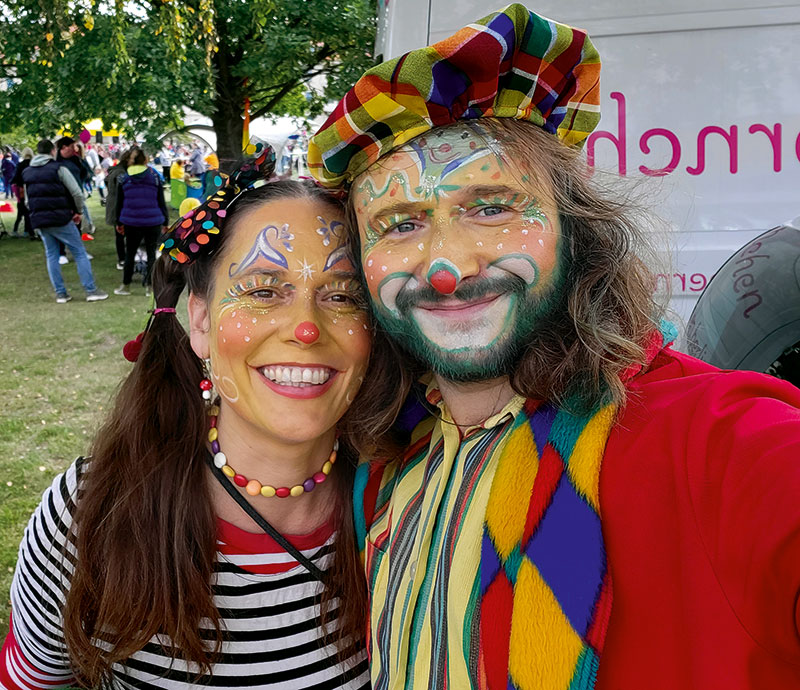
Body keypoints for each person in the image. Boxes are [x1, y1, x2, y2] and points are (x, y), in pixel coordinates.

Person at [308, 5, 800, 689]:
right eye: (401, 223)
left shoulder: (715, 443)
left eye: (490, 206)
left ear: (575, 226)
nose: (447, 266)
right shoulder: (386, 465)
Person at [1, 142, 371, 689]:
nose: (306, 328)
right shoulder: (86, 517)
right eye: (263, 291)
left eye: (342, 296)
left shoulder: (408, 499)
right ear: (199, 321)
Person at [21, 139, 107, 302]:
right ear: (53, 151)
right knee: (79, 252)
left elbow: (27, 199)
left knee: (51, 255)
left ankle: (61, 293)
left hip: (40, 218)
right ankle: (91, 290)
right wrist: (79, 212)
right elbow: (77, 192)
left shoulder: (28, 171)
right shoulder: (58, 168)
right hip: (61, 217)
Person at [113, 148, 168, 295]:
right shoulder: (154, 178)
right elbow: (161, 201)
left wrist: (118, 223)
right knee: (151, 254)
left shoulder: (124, 179)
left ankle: (126, 285)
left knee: (130, 253)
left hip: (131, 222)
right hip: (153, 221)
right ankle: (150, 287)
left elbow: (119, 203)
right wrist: (166, 222)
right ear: (145, 160)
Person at [106, 148, 132, 269]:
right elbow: (122, 192)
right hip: (118, 207)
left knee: (120, 234)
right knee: (121, 234)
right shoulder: (121, 173)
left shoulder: (115, 170)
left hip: (115, 206)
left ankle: (123, 257)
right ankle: (122, 259)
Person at [10, 147, 34, 239]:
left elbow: (15, 179)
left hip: (22, 191)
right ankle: (27, 230)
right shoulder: (33, 164)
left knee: (22, 211)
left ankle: (22, 230)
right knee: (29, 212)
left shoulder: (20, 165)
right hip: (32, 190)